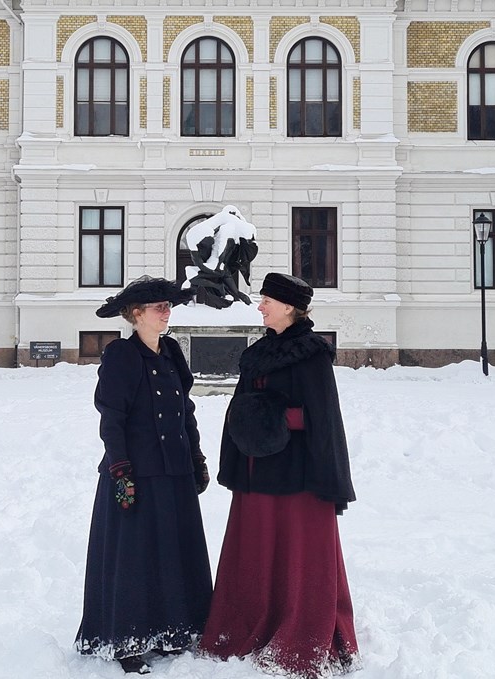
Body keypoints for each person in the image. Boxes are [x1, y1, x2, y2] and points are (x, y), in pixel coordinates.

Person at [199, 272, 358, 678]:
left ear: (289, 307)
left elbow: (322, 419)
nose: (260, 305)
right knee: (255, 553)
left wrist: (271, 416)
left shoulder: (312, 354)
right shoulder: (258, 352)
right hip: (256, 475)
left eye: (267, 299)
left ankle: (299, 629)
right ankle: (249, 620)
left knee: (298, 556)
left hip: (298, 480)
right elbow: (244, 404)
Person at [75, 276, 214, 675]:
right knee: (135, 558)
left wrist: (197, 459)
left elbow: (184, 411)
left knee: (172, 552)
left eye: (169, 306)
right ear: (136, 315)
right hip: (136, 474)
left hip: (174, 471)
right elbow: (112, 418)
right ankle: (128, 639)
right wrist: (120, 469)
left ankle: (170, 631)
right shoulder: (122, 355)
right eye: (159, 307)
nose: (167, 312)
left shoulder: (171, 351)